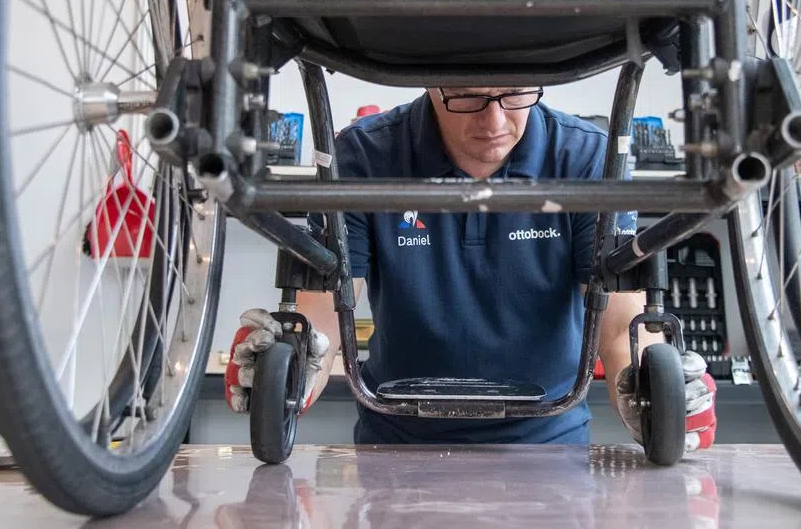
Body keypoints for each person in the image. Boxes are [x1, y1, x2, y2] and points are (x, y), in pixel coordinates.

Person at [225, 86, 717, 449]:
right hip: (397, 448)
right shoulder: (362, 155)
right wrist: (286, 370)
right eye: (468, 98)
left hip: (549, 447)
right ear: (428, 78)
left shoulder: (587, 156)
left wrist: (653, 389)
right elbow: (326, 314)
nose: (494, 121)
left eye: (514, 95)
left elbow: (617, 323)